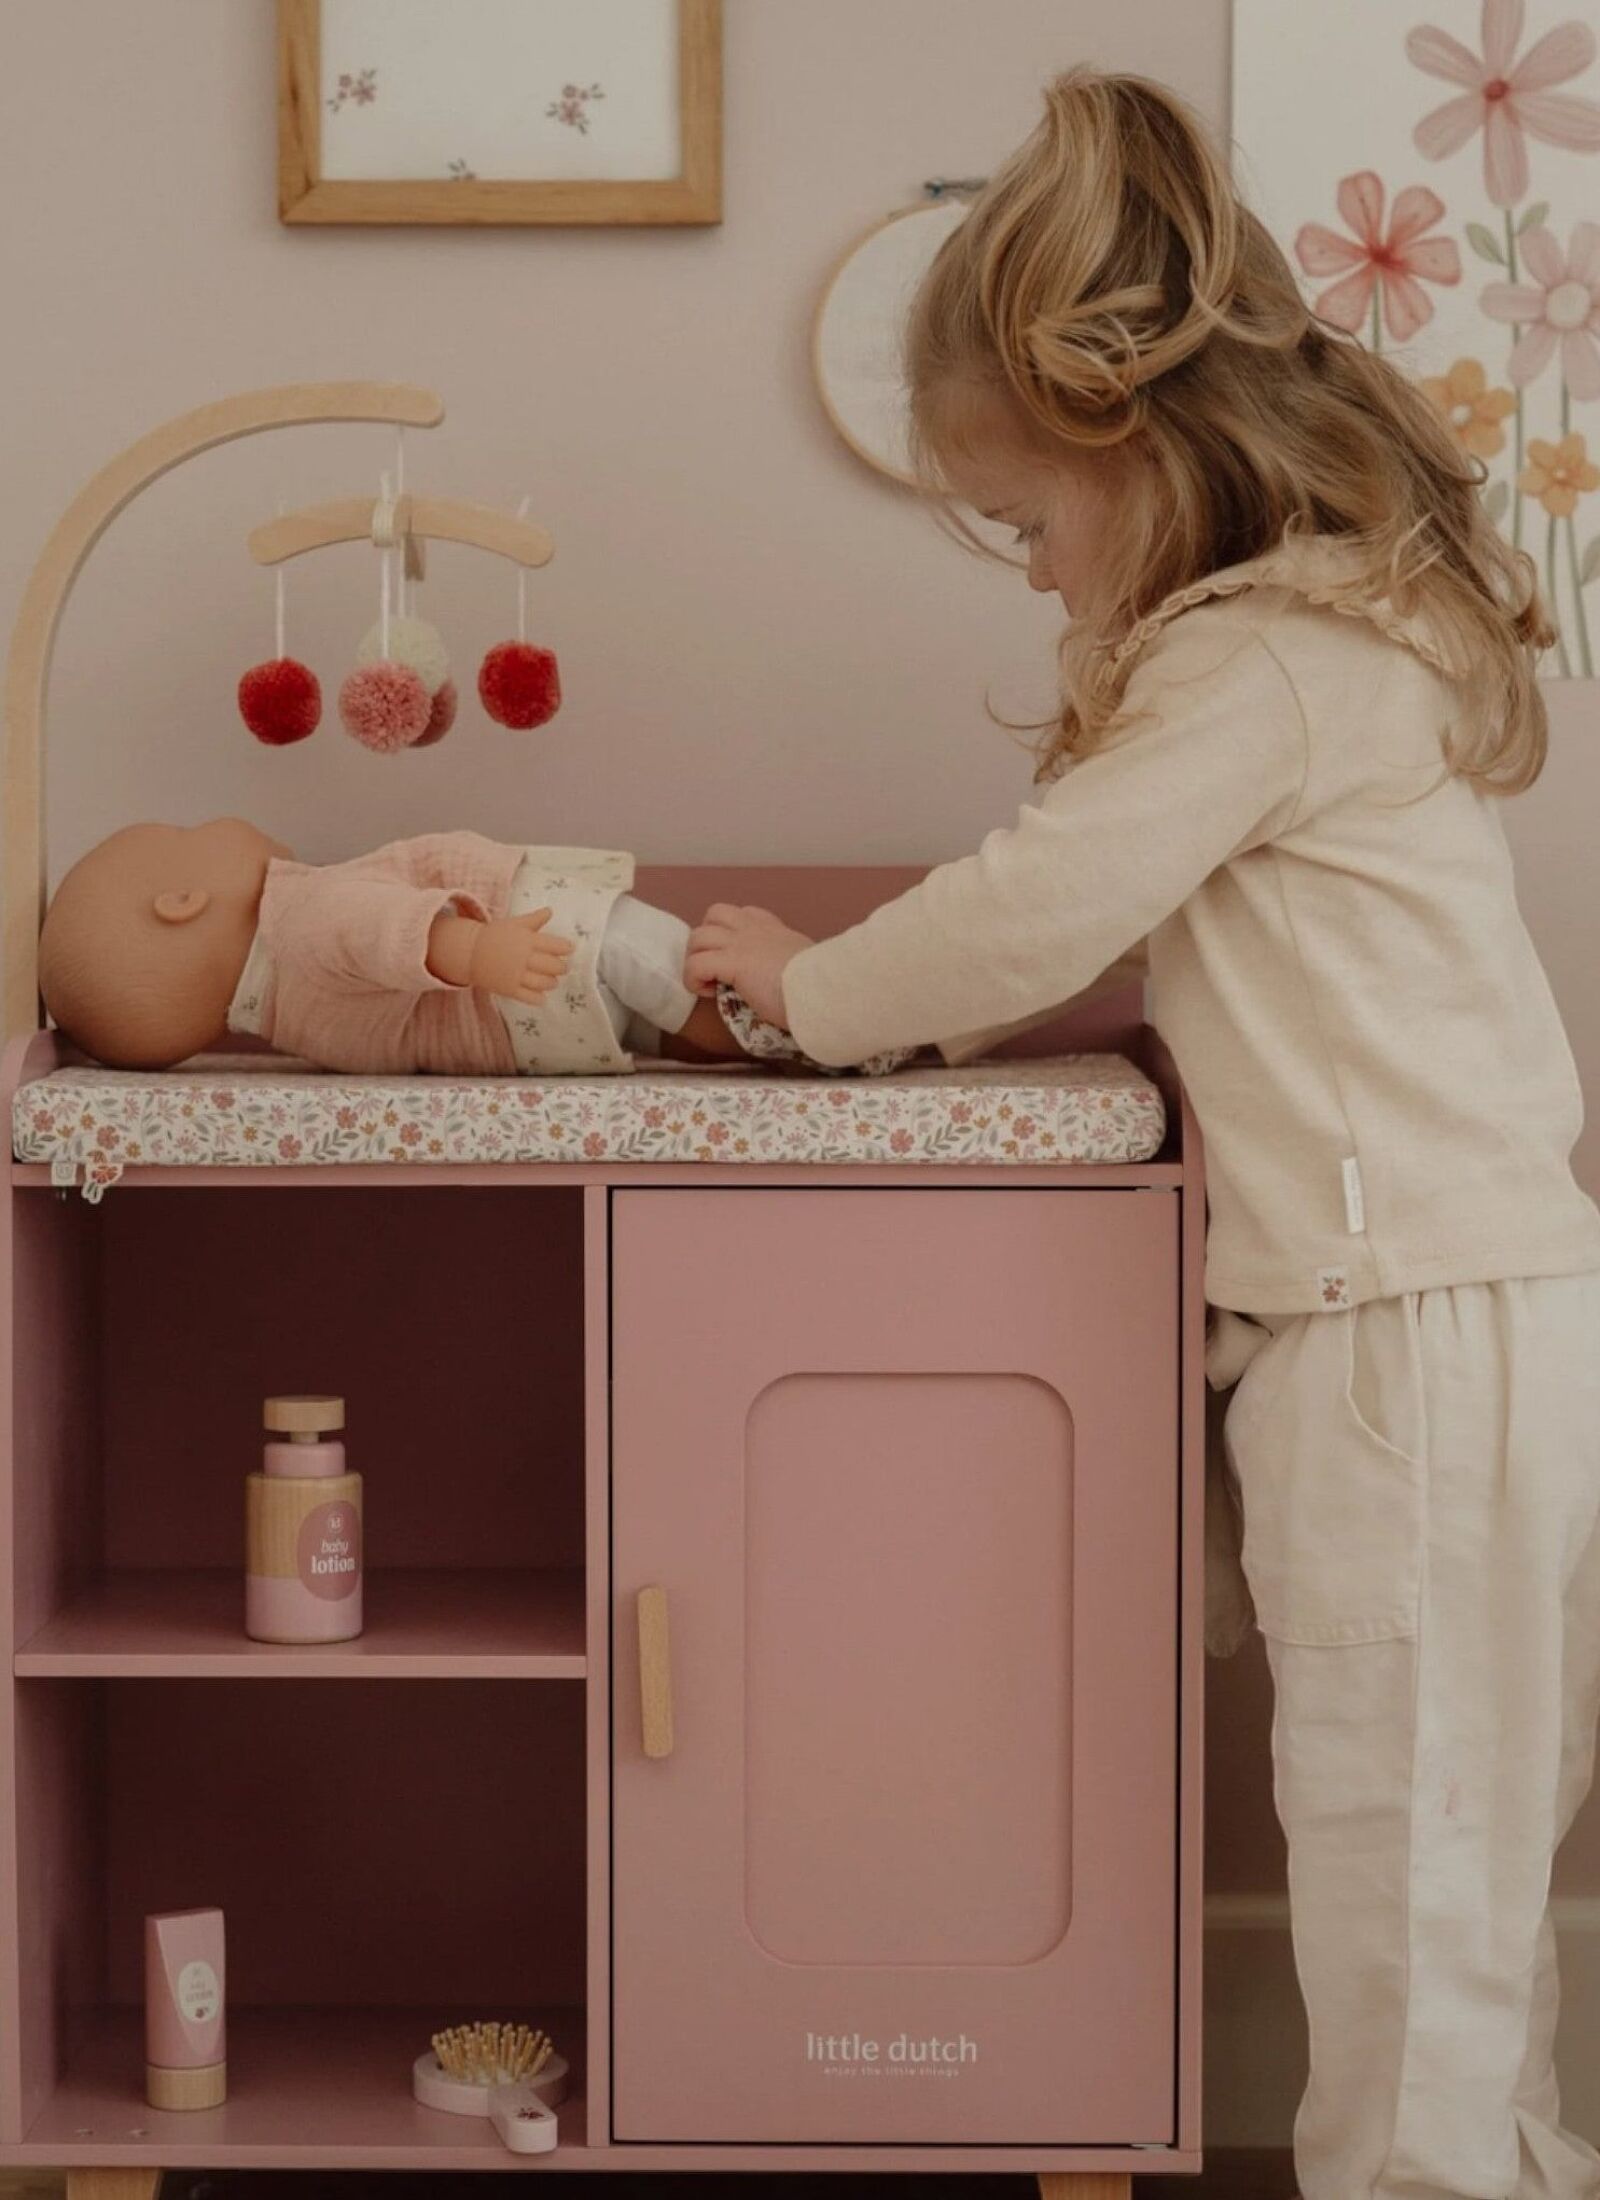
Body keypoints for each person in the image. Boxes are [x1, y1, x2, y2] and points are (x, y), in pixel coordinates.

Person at [685, 66, 1600, 2200]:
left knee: (1404, 1855)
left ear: (1130, 446)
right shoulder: (1325, 639)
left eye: (1021, 523)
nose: (1024, 576)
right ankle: (1502, 2162)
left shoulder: (1257, 664)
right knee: (1462, 1852)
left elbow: (1029, 901)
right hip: (1463, 1319)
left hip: (1411, 1340)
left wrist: (806, 989)